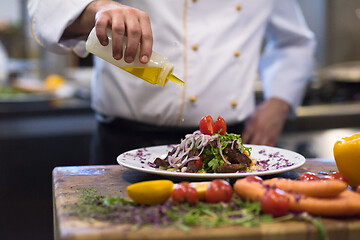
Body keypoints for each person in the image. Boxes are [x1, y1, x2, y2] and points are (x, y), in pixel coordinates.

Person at [28, 0, 316, 165]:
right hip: (124, 144)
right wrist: (96, 8)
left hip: (229, 155)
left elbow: (294, 42)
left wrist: (280, 101)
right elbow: (44, 9)